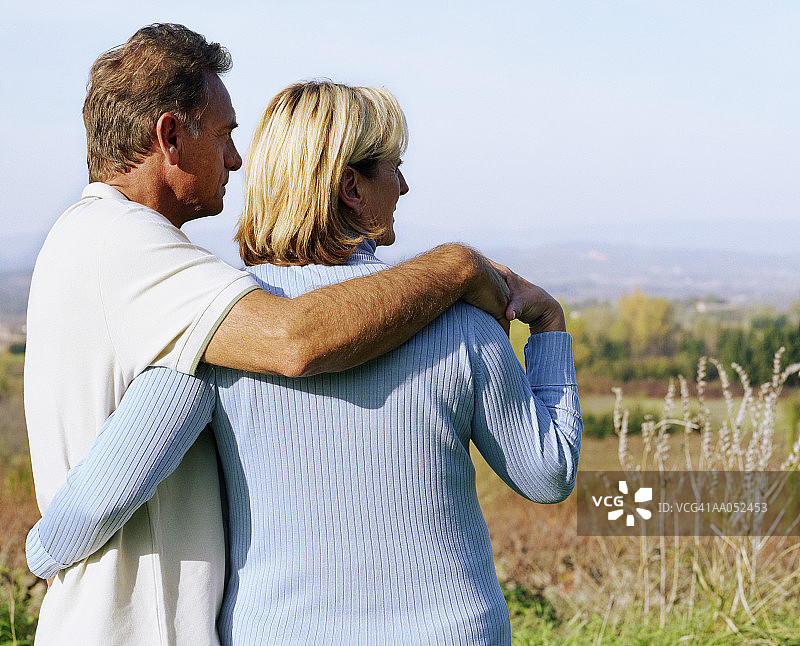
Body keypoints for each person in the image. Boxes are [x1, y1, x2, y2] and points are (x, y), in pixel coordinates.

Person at [23, 24, 538, 646]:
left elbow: (136, 447)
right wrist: (460, 269)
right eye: (223, 135)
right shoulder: (129, 247)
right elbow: (293, 339)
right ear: (170, 137)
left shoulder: (92, 245)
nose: (235, 160)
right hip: (136, 626)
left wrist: (50, 549)